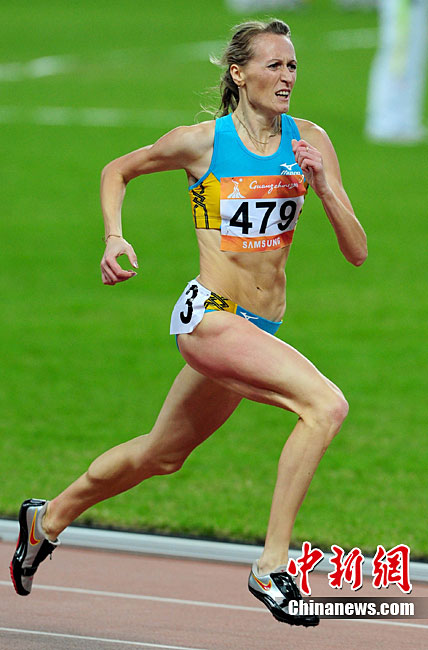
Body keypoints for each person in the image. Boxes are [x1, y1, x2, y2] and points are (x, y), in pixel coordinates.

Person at [10, 19, 367, 627]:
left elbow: (356, 251)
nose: (287, 76)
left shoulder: (311, 140)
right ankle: (272, 565)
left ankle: (46, 520)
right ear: (239, 73)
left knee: (163, 454)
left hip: (259, 329)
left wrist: (325, 187)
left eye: (292, 66)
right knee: (325, 407)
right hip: (211, 319)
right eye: (274, 65)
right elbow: (116, 170)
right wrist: (114, 237)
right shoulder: (200, 143)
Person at [366, 0, 427, 142]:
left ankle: (405, 122)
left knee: (412, 60)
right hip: (404, 6)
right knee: (400, 60)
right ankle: (387, 124)